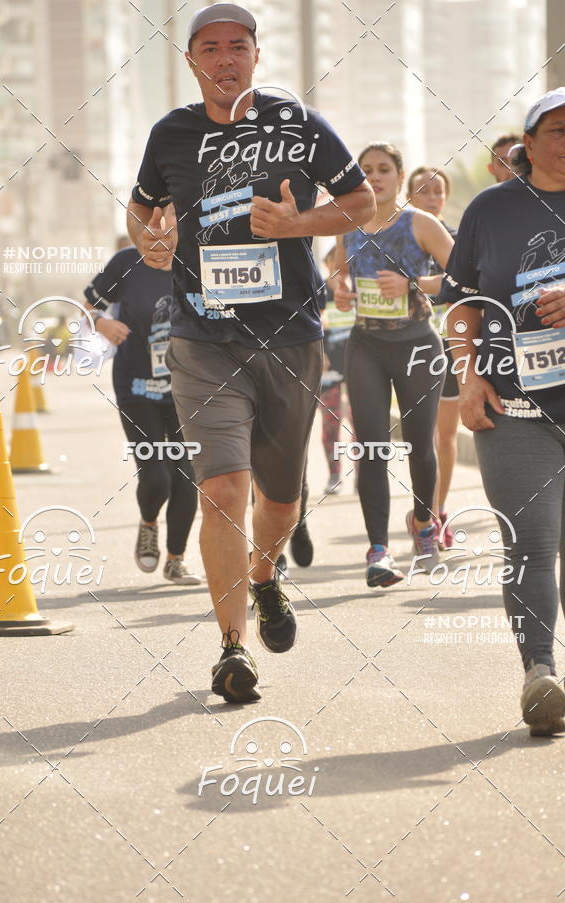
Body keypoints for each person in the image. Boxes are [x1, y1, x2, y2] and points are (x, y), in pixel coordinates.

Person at [126, 3, 375, 703]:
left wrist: (299, 223)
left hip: (290, 336)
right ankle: (233, 650)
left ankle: (265, 574)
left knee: (281, 501)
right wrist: (149, 239)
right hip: (202, 336)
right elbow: (141, 208)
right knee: (222, 490)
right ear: (192, 61)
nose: (225, 58)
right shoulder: (171, 134)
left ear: (257, 56)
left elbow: (361, 203)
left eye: (238, 45)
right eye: (210, 48)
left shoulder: (300, 125)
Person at [441, 86, 565, 736]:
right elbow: (461, 303)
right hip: (514, 407)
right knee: (532, 544)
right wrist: (466, 374)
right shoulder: (490, 209)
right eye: (559, 131)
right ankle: (540, 674)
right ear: (530, 143)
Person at [334, 143, 454, 588]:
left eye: (383, 169)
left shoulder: (420, 223)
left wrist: (412, 284)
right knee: (370, 448)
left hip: (417, 345)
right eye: (366, 169)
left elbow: (463, 276)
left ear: (400, 177)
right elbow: (339, 273)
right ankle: (378, 551)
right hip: (365, 344)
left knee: (420, 445)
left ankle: (423, 524)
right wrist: (341, 290)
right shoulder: (347, 224)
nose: (374, 176)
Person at [84, 239, 201, 586]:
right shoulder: (126, 262)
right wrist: (101, 323)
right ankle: (149, 522)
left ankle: (176, 560)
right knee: (156, 478)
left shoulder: (196, 259)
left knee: (185, 479)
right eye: (151, 221)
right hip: (136, 387)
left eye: (170, 220)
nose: (160, 229)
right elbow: (88, 308)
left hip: (186, 388)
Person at [407, 166, 459, 549]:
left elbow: (463, 286)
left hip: (450, 346)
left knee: (447, 435)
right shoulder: (398, 238)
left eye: (438, 191)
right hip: (408, 347)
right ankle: (422, 512)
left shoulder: (457, 241)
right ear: (409, 196)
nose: (432, 197)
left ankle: (438, 512)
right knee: (422, 439)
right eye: (423, 190)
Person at [319, 244, 354, 495]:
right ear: (328, 263)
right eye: (336, 262)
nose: (341, 267)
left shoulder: (358, 289)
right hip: (328, 368)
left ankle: (364, 476)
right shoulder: (318, 290)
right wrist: (318, 353)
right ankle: (334, 475)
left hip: (357, 365)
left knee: (361, 422)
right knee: (331, 423)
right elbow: (309, 323)